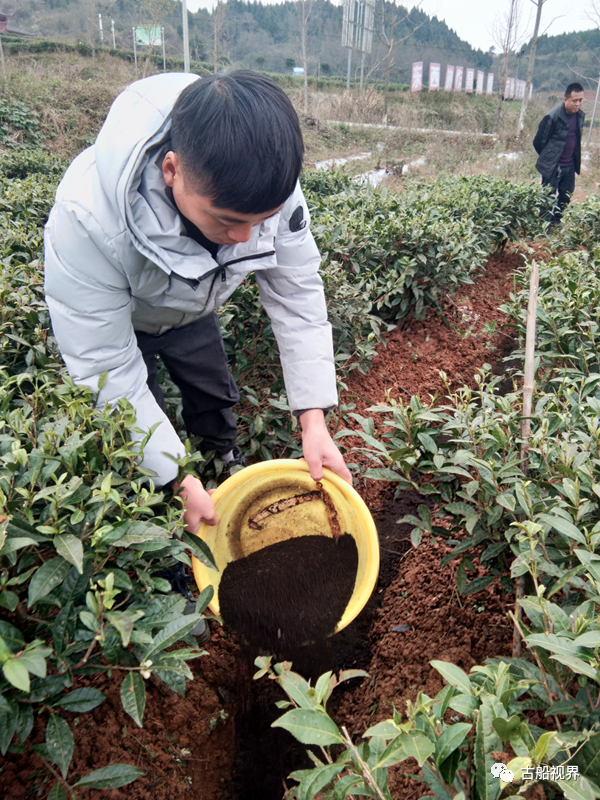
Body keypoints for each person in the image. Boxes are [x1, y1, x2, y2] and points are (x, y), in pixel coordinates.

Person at [44, 71, 352, 581]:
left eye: (262, 220)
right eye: (228, 220)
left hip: (193, 306)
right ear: (172, 169)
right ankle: (169, 534)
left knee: (212, 390)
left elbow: (296, 295)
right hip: (129, 320)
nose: (244, 238)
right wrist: (175, 478)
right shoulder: (86, 218)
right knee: (141, 436)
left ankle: (221, 456)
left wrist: (313, 420)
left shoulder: (267, 180)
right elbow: (105, 367)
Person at [533, 82, 585, 224]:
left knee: (566, 196)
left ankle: (556, 222)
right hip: (553, 167)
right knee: (548, 197)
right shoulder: (552, 117)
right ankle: (544, 227)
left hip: (569, 166)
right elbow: (538, 142)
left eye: (580, 100)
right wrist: (550, 158)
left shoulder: (579, 116)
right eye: (575, 100)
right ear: (565, 100)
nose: (578, 104)